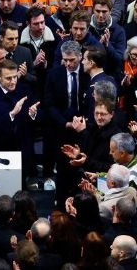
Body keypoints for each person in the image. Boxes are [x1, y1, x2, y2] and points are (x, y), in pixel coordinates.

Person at [0, 59, 40, 180]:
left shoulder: (25, 90)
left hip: (23, 148)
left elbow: (38, 114)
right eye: (8, 78)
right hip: (0, 150)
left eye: (15, 77)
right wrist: (12, 114)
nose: (13, 82)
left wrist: (33, 114)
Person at [43, 41, 89, 195]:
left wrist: (83, 120)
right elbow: (49, 104)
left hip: (83, 123)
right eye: (65, 60)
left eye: (72, 60)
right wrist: (66, 123)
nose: (68, 64)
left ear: (80, 57)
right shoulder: (54, 73)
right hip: (60, 122)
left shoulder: (88, 72)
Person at [20, 7, 55, 99]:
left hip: (49, 86)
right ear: (28, 24)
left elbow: (57, 64)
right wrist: (34, 64)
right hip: (28, 88)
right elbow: (18, 67)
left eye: (42, 22)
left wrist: (45, 63)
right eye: (36, 24)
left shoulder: (54, 39)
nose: (40, 27)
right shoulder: (19, 40)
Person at [89, 0, 126, 83]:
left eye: (104, 11)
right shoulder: (86, 28)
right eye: (97, 11)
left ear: (110, 11)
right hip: (90, 76)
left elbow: (119, 60)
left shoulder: (119, 31)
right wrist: (99, 46)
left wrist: (107, 45)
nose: (101, 15)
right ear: (93, 10)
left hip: (111, 77)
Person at [81, 45, 117, 122]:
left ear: (91, 63)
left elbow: (93, 115)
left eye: (84, 59)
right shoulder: (110, 79)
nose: (82, 62)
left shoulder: (96, 87)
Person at [0, 20, 36, 89]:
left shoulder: (25, 52)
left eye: (16, 38)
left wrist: (25, 74)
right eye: (10, 39)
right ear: (1, 38)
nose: (14, 42)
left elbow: (34, 79)